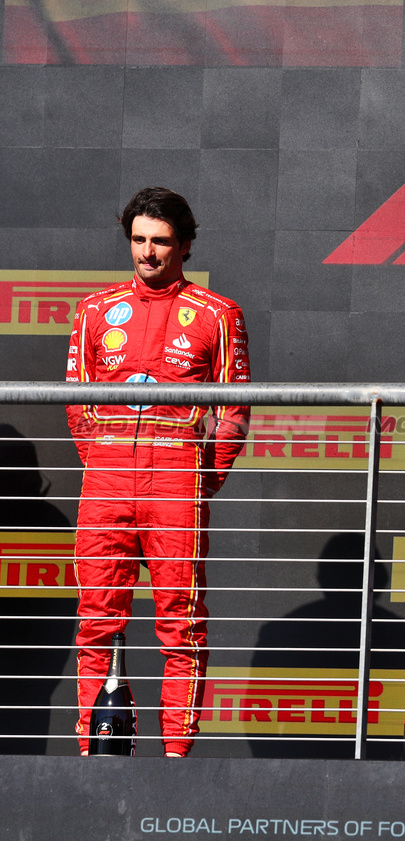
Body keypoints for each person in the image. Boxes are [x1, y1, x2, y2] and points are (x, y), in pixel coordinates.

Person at [65, 187, 251, 756]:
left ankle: (175, 760)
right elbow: (76, 401)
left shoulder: (220, 314)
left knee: (182, 624)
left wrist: (203, 475)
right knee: (97, 618)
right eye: (139, 240)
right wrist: (101, 459)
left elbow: (235, 408)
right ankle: (92, 753)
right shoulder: (95, 310)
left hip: (177, 476)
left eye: (161, 242)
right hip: (108, 476)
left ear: (185, 245)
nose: (148, 253)